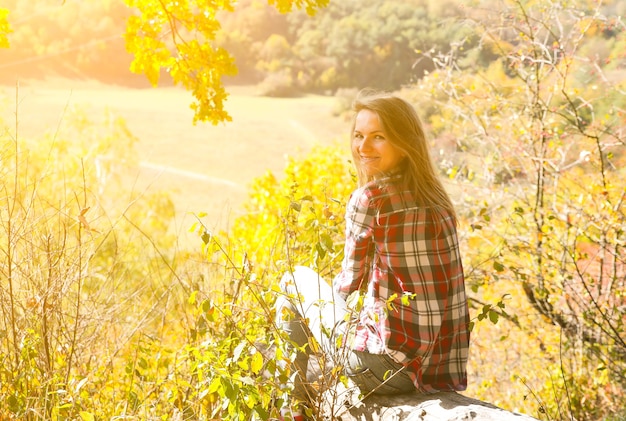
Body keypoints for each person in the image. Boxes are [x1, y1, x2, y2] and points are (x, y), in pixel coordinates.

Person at [275, 90, 470, 420]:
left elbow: (348, 286)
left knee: (295, 280)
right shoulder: (439, 201)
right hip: (433, 371)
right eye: (359, 135)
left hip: (380, 369)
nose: (363, 148)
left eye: (378, 137)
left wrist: (329, 331)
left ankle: (292, 409)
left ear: (404, 143)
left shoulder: (371, 199)